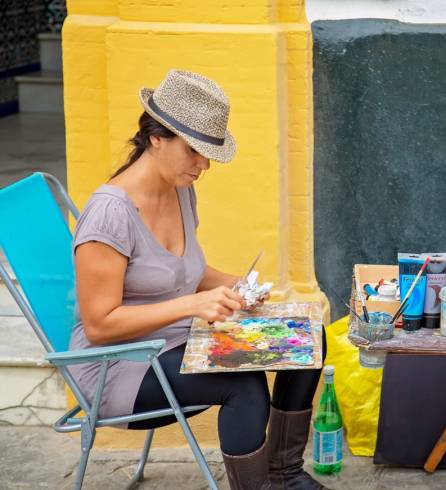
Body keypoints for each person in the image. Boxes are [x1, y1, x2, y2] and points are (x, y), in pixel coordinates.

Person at [69, 69, 327, 490]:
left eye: (208, 153)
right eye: (194, 150)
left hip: (178, 346)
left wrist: (237, 289)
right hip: (120, 367)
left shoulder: (180, 188)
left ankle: (284, 476)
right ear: (156, 138)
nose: (203, 165)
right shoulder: (109, 215)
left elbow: (183, 272)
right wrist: (193, 305)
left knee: (307, 334)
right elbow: (100, 326)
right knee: (244, 383)